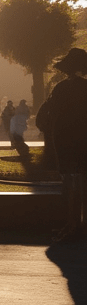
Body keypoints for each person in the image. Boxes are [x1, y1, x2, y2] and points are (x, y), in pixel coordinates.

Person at [47, 48, 87, 244]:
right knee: (83, 185)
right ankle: (80, 226)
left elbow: (47, 116)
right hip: (83, 143)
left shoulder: (60, 89)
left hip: (64, 143)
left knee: (71, 187)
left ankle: (72, 225)